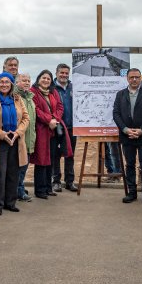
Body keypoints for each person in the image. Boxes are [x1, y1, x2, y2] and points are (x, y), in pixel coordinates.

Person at [0, 72, 31, 215]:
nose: (4, 84)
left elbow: (26, 118)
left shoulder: (17, 99)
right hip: (0, 141)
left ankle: (10, 202)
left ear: (11, 84)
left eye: (7, 82)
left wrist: (18, 133)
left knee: (13, 173)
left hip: (16, 141)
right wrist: (1, 134)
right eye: (1, 82)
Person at [113, 68, 142, 206]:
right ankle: (131, 192)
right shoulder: (120, 95)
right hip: (127, 136)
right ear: (127, 78)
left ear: (141, 78)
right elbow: (116, 114)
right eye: (132, 77)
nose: (134, 79)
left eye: (137, 77)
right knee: (130, 165)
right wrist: (126, 130)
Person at [30, 70, 71, 199]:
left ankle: (48, 187)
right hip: (41, 130)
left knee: (51, 159)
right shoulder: (33, 92)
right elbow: (35, 109)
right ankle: (40, 190)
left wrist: (55, 119)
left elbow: (60, 107)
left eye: (48, 78)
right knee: (41, 159)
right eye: (44, 78)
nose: (46, 80)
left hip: (53, 130)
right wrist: (49, 120)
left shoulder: (53, 92)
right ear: (38, 79)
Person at [52, 63, 78, 192]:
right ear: (56, 73)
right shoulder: (51, 88)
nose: (64, 75)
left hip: (72, 127)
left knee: (70, 155)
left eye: (66, 73)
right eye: (61, 73)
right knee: (55, 155)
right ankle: (56, 181)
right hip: (56, 127)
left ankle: (70, 181)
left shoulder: (74, 87)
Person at [15, 73, 37, 201]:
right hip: (20, 138)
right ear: (17, 82)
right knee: (20, 167)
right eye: (24, 80)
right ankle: (18, 190)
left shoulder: (30, 97)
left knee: (24, 167)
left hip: (29, 137)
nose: (27, 83)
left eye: (29, 80)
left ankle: (20, 188)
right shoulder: (16, 97)